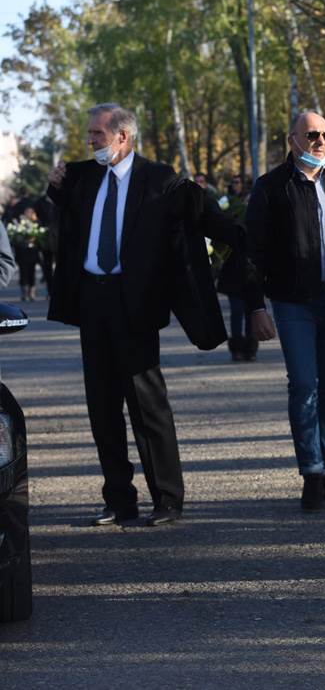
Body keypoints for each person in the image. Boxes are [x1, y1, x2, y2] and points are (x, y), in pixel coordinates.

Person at [47, 102, 240, 527]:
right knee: (101, 406)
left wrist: (252, 243)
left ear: (123, 136)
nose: (91, 141)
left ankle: (168, 499)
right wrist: (55, 185)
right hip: (93, 301)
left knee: (147, 404)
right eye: (90, 134)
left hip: (132, 303)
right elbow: (63, 216)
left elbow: (204, 216)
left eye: (98, 134)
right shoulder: (83, 177)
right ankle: (118, 499)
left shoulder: (158, 179)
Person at [245, 110, 325, 512]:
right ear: (292, 139)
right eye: (312, 134)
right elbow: (253, 249)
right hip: (293, 300)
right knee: (304, 385)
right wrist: (254, 305)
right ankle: (311, 473)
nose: (320, 142)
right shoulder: (272, 187)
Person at [217, 175, 257, 362]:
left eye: (238, 182)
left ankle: (250, 347)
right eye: (233, 182)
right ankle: (236, 347)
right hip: (232, 264)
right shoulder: (226, 202)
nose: (235, 185)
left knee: (252, 311)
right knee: (237, 311)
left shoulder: (255, 201)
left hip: (251, 266)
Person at [13, 206, 41, 302]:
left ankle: (32, 292)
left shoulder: (36, 222)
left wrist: (34, 238)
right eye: (27, 212)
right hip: (22, 252)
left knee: (31, 272)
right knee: (23, 272)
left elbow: (40, 236)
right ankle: (24, 292)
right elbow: (15, 235)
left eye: (30, 212)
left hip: (32, 251)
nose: (28, 214)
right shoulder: (20, 223)